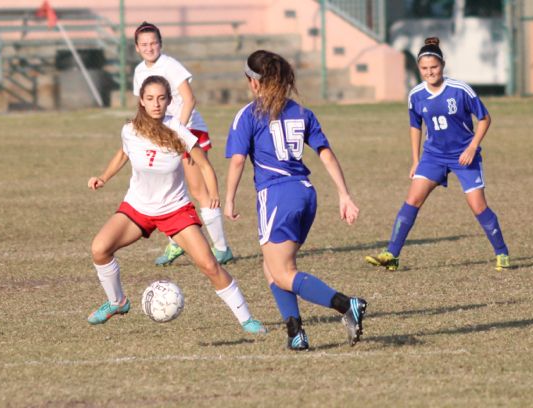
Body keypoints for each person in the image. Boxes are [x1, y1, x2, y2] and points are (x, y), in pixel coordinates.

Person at [86, 75, 266, 335]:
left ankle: (247, 320)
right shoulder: (129, 130)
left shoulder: (178, 131)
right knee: (99, 249)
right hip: (137, 208)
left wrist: (213, 193)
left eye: (161, 98)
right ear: (142, 102)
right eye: (150, 98)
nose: (156, 104)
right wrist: (103, 177)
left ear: (169, 101)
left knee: (209, 265)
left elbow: (203, 165)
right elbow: (123, 152)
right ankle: (117, 303)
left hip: (175, 211)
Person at [224, 50, 368, 350]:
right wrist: (344, 194)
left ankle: (346, 304)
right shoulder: (302, 112)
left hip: (276, 195)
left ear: (253, 82)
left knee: (283, 272)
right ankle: (296, 333)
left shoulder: (248, 115)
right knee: (272, 266)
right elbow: (325, 154)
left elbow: (237, 161)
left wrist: (229, 199)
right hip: (305, 193)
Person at [365, 37, 510, 272]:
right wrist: (415, 160)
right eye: (424, 69)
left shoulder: (460, 90)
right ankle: (392, 254)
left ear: (442, 66)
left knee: (478, 206)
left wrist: (472, 147)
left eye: (434, 67)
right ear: (419, 69)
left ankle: (502, 252)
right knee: (412, 200)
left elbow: (484, 118)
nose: (430, 72)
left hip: (464, 156)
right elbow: (415, 126)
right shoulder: (416, 95)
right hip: (433, 156)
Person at [132, 21, 233, 266]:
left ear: (161, 44)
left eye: (154, 42)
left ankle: (221, 249)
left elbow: (189, 99)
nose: (149, 47)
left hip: (188, 132)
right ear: (136, 48)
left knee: (199, 191)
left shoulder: (170, 66)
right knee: (167, 190)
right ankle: (176, 243)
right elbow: (144, 108)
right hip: (164, 137)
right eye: (144, 44)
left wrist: (178, 132)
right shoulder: (139, 71)